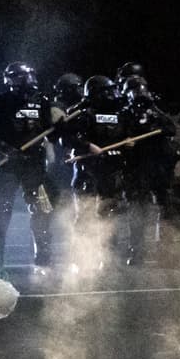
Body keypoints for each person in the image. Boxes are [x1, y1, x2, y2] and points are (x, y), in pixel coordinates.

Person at [0, 62, 57, 276]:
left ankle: (43, 256)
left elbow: (51, 133)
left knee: (42, 207)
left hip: (34, 165)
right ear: (11, 79)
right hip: (7, 166)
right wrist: (4, 148)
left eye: (29, 76)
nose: (27, 81)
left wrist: (59, 128)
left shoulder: (42, 103)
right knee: (2, 209)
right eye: (22, 77)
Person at [64, 74, 131, 267]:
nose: (112, 95)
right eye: (107, 91)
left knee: (111, 213)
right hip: (88, 171)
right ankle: (81, 260)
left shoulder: (120, 114)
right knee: (85, 215)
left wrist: (128, 142)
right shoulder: (82, 114)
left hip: (112, 171)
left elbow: (126, 135)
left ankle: (110, 258)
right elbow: (66, 138)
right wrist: (87, 146)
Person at [120, 75, 180, 265]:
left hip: (158, 168)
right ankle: (136, 251)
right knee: (138, 210)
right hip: (137, 168)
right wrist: (128, 140)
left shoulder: (153, 111)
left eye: (141, 89)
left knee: (167, 208)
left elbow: (171, 128)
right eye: (134, 89)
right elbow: (120, 135)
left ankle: (166, 251)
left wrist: (153, 112)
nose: (139, 93)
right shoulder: (125, 113)